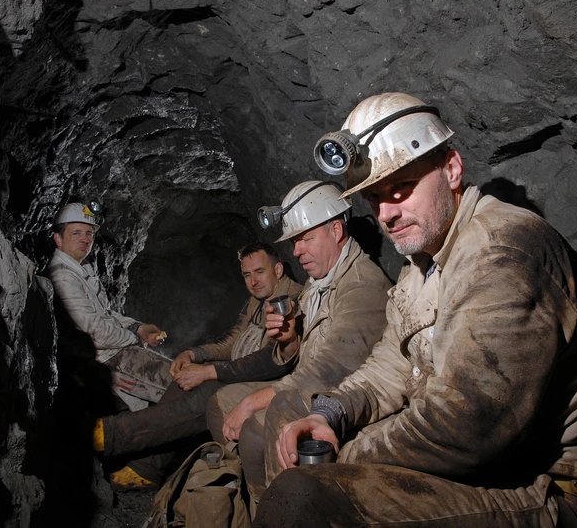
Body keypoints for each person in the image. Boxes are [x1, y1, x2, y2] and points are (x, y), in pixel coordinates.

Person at [253, 92, 577, 528]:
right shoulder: (422, 263)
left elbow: (470, 427)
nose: (387, 214)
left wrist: (341, 456)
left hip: (544, 486)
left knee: (304, 491)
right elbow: (390, 366)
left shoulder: (504, 252)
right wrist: (328, 414)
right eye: (374, 197)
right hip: (479, 461)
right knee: (294, 415)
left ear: (451, 169)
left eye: (401, 188)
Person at [204, 181, 392, 504]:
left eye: (305, 238)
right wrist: (290, 339)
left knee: (253, 429)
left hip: (334, 395)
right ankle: (241, 495)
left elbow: (329, 372)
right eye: (294, 241)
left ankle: (268, 509)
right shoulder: (317, 285)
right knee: (219, 402)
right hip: (301, 385)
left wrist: (250, 404)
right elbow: (298, 356)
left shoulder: (362, 286)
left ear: (336, 231)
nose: (296, 251)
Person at [92, 243, 302, 490]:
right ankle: (146, 468)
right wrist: (193, 354)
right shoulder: (258, 300)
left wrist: (209, 371)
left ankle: (109, 434)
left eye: (259, 272)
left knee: (207, 391)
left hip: (274, 383)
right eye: (247, 275)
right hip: (245, 373)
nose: (253, 281)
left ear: (278, 270)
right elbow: (232, 341)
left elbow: (271, 361)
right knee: (185, 377)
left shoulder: (292, 302)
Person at [49, 202, 172, 413]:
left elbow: (106, 314)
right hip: (108, 359)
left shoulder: (81, 270)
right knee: (180, 384)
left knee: (180, 378)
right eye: (76, 233)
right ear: (58, 239)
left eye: (89, 233)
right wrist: (134, 338)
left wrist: (138, 327)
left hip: (114, 351)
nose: (85, 239)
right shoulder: (62, 276)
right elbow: (94, 331)